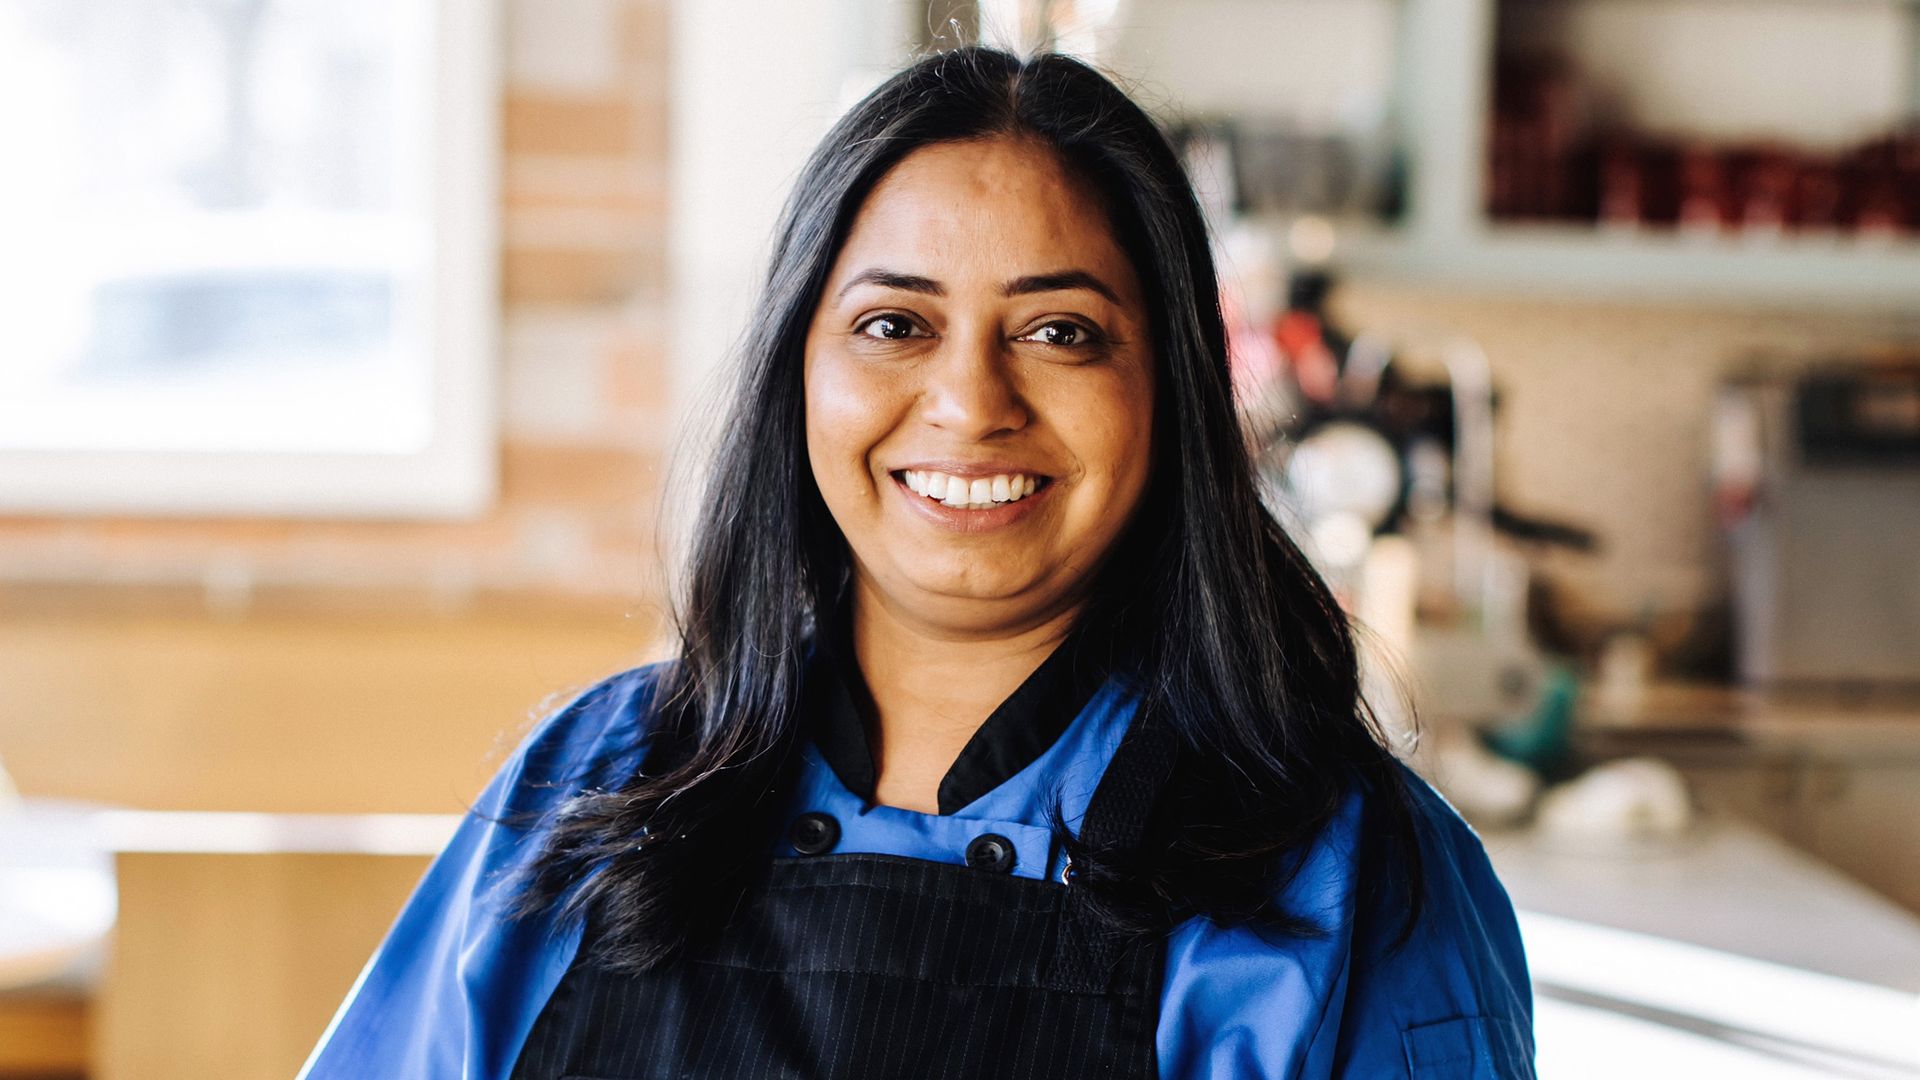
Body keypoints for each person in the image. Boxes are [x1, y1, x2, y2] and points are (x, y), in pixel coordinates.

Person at [299, 46, 1534, 1079]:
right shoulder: (596, 781)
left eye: (1061, 331)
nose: (970, 403)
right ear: (797, 369)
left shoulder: (1352, 874)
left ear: (1171, 390)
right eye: (895, 324)